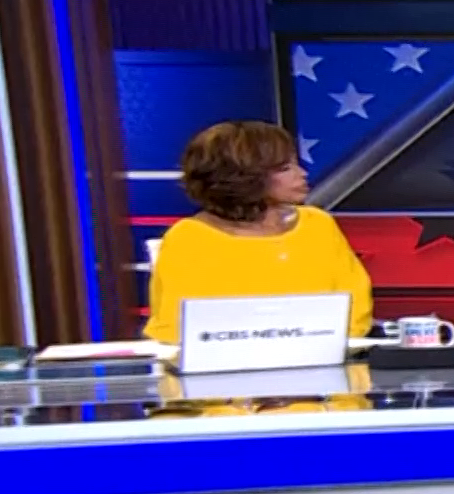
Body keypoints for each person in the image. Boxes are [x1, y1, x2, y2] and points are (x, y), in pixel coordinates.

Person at [144, 121, 373, 345]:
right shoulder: (190, 238)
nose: (302, 174)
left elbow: (355, 308)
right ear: (243, 177)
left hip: (323, 359)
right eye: (285, 168)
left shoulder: (318, 225)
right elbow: (178, 326)